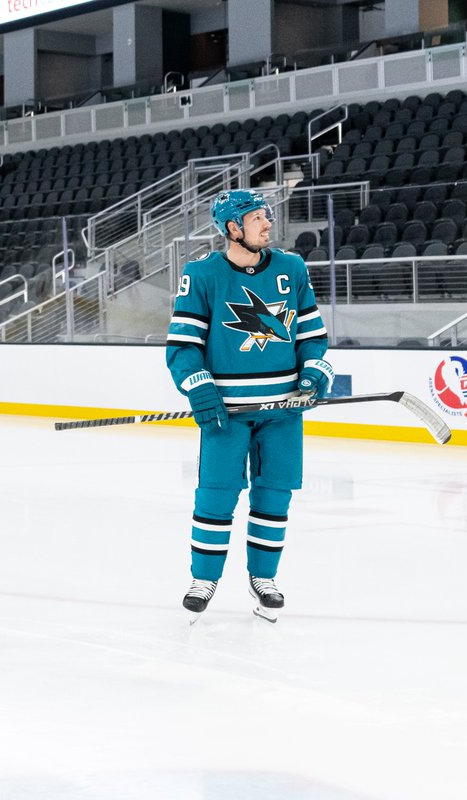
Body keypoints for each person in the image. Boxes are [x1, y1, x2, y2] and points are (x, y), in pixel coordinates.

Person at [165, 190, 332, 623]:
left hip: (283, 411)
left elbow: (313, 336)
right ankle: (204, 579)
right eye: (258, 218)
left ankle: (265, 578)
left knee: (275, 495)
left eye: (268, 217)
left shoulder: (292, 269)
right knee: (216, 496)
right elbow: (183, 347)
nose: (268, 225)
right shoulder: (201, 275)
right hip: (226, 414)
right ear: (233, 227)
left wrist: (314, 373)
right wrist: (199, 388)